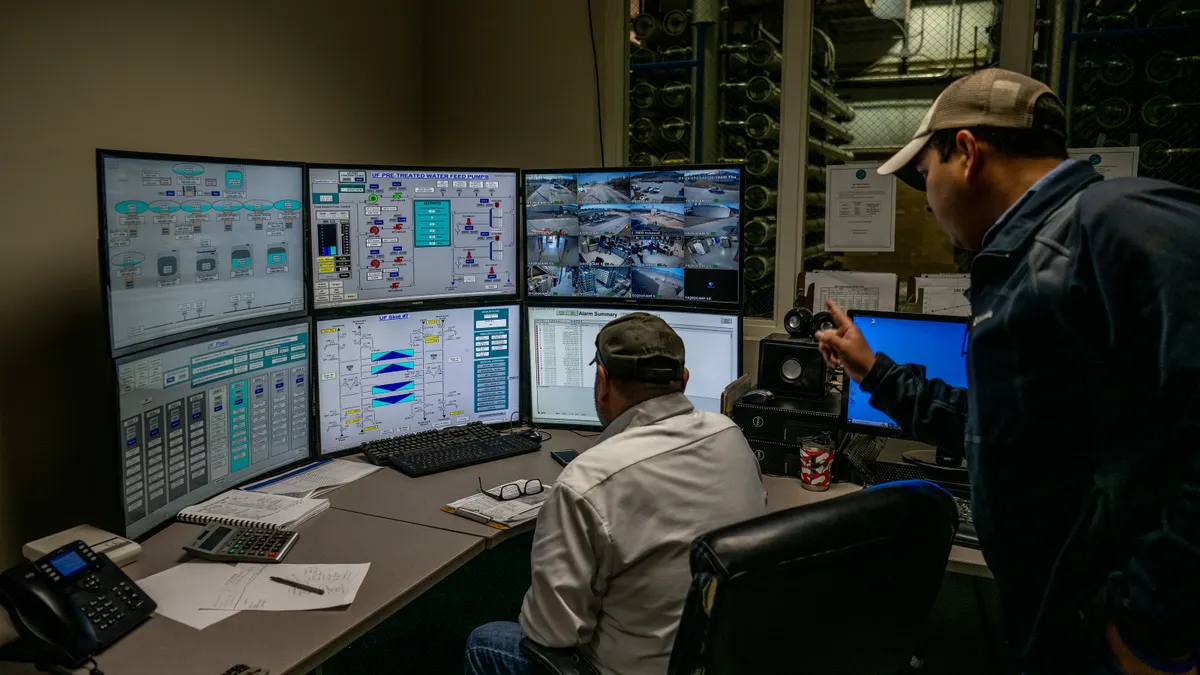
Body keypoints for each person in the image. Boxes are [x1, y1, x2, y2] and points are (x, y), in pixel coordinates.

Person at [815, 68, 1200, 675]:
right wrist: (875, 372)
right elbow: (1005, 429)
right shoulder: (1027, 258)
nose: (929, 198)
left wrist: (1155, 621)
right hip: (1059, 612)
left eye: (924, 177)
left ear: (966, 152)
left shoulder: (1115, 224)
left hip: (1120, 630)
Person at [465, 313, 767, 675]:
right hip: (724, 658)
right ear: (684, 380)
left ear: (603, 381)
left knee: (485, 640)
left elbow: (552, 634)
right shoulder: (730, 434)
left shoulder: (586, 482)